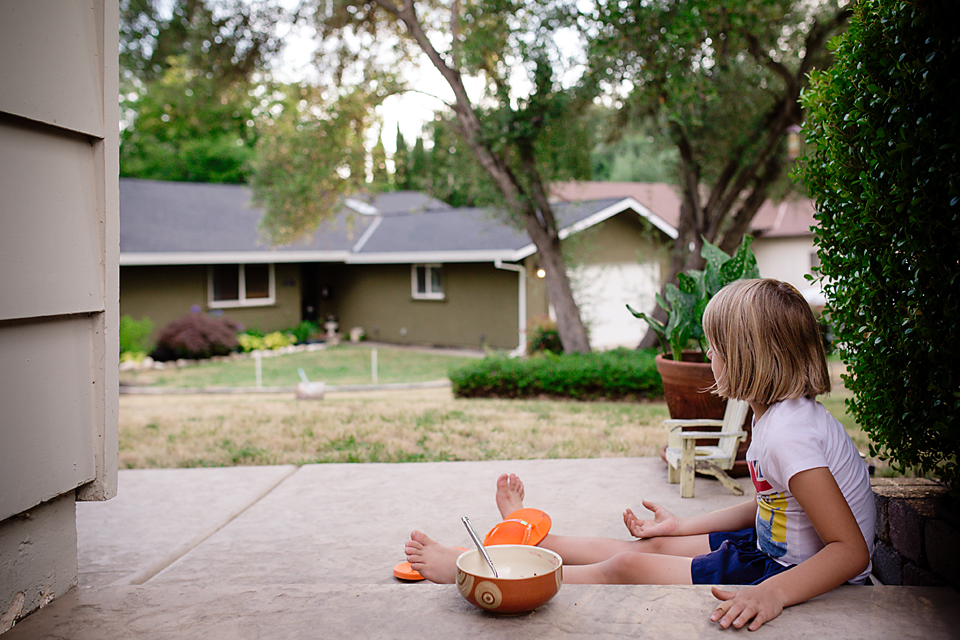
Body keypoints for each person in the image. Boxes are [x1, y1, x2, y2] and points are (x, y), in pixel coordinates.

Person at [405, 278, 876, 631]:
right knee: (647, 547)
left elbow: (849, 552)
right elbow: (775, 502)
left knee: (627, 566)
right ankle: (516, 541)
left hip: (786, 571)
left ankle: (480, 572)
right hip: (770, 549)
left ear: (749, 357)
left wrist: (773, 594)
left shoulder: (791, 434)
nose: (708, 355)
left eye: (715, 346)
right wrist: (682, 526)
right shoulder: (781, 418)